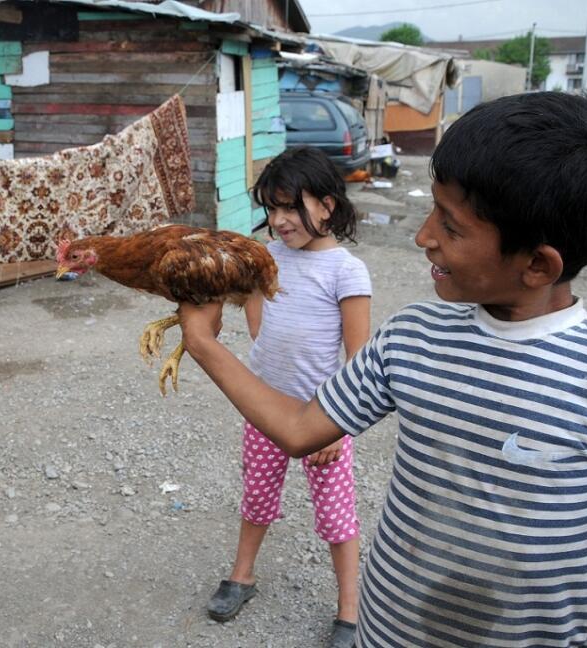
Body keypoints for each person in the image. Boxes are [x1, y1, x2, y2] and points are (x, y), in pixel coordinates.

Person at [179, 91, 587, 647]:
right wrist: (201, 342)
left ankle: (343, 606)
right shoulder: (411, 335)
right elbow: (297, 428)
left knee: (335, 516)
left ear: (538, 264)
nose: (422, 236)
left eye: (451, 226)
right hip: (386, 633)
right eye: (432, 210)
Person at [205, 147, 370, 648]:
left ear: (326, 205)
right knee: (257, 497)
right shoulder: (266, 258)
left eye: (290, 207)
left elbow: (359, 361)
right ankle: (242, 576)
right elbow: (258, 324)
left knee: (336, 515)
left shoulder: (346, 271)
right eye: (271, 208)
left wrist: (338, 426)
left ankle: (349, 609)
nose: (278, 220)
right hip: (265, 410)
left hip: (323, 417)